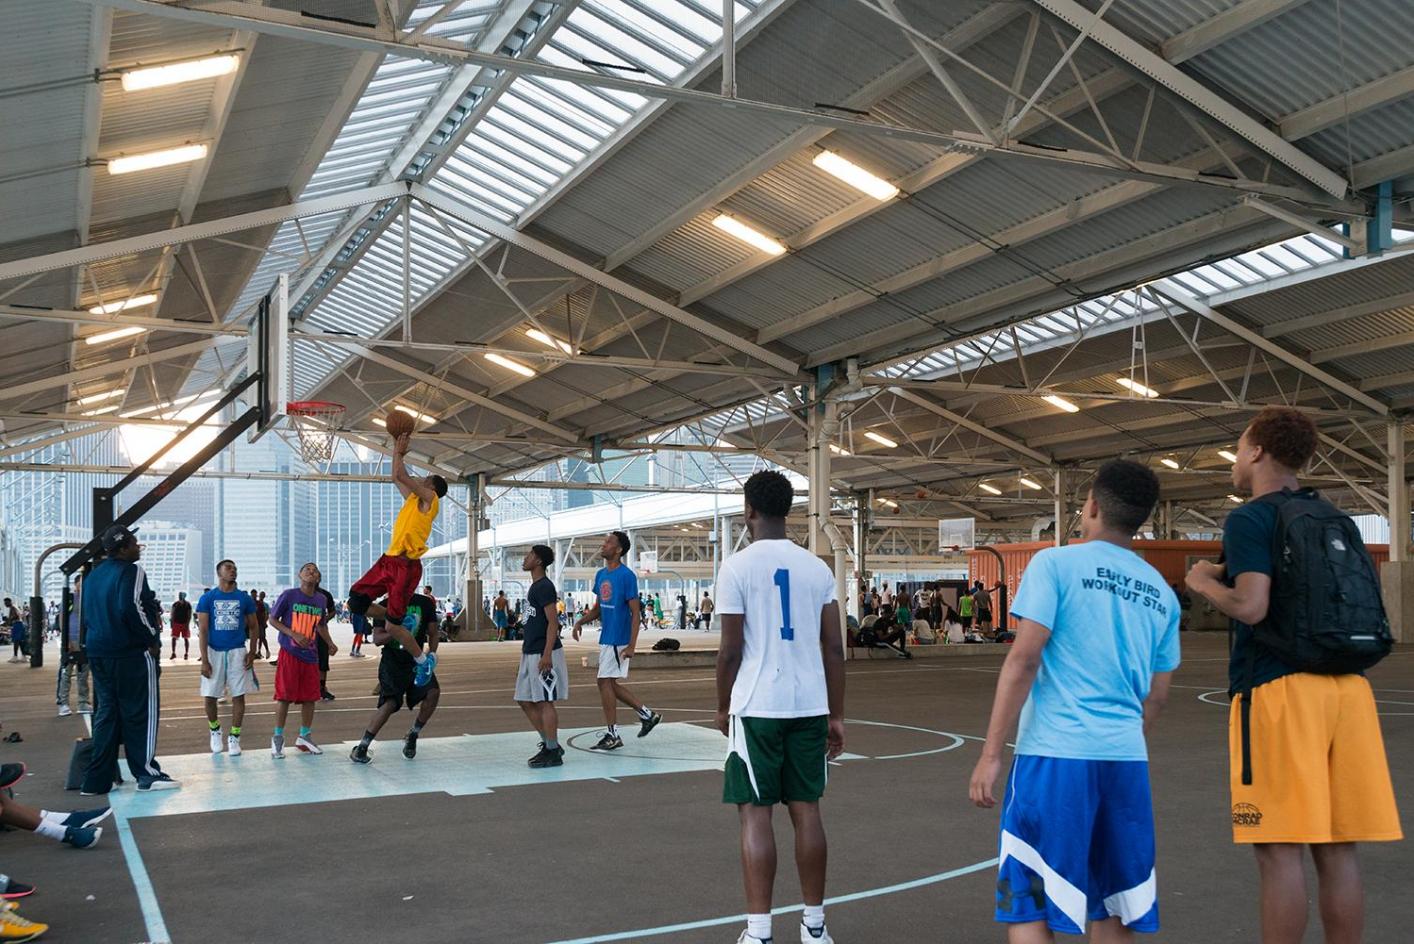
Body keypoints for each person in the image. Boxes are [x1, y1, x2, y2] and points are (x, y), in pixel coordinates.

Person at [1184, 407, 1401, 944]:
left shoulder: (1249, 517)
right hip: (1348, 691)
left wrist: (1200, 582)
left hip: (1280, 692)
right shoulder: (1332, 517)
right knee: (1337, 850)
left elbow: (1252, 606)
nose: (1236, 459)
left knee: (1279, 851)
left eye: (1239, 447)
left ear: (1257, 451)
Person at [970, 459, 1180, 941]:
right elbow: (1159, 696)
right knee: (1115, 900)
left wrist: (990, 754)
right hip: (1124, 760)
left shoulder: (1055, 564)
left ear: (1091, 507)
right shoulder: (1161, 595)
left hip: (1055, 754)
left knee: (1028, 899)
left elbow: (1024, 660)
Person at [715, 470, 845, 944]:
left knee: (755, 813)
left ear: (749, 510)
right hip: (808, 704)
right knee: (806, 811)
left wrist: (722, 705)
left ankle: (759, 932)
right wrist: (836, 714)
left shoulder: (736, 568)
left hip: (756, 705)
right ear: (787, 510)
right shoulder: (818, 569)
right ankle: (814, 926)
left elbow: (730, 651)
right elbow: (834, 648)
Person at [79, 525, 179, 795]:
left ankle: (97, 780)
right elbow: (130, 606)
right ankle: (146, 773)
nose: (138, 548)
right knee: (140, 713)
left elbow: (85, 614)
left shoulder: (92, 577)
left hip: (99, 652)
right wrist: (151, 639)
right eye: (135, 544)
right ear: (123, 548)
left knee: (106, 713)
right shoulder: (131, 571)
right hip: (130, 652)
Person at [346, 430, 446, 695]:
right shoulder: (414, 500)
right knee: (355, 601)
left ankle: (423, 662)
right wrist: (394, 448)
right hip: (388, 560)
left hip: (406, 565)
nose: (421, 480)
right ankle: (399, 619)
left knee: (391, 627)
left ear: (432, 487)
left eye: (425, 479)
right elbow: (396, 476)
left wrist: (400, 452)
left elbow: (402, 475)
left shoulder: (430, 500)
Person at [572, 531, 661, 751]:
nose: (603, 545)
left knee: (604, 682)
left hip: (619, 638)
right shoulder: (601, 574)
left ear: (619, 549)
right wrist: (580, 622)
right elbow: (599, 608)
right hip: (607, 637)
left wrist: (632, 645)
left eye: (608, 542)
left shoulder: (626, 576)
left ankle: (613, 734)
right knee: (608, 683)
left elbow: (635, 613)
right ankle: (646, 714)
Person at [349, 592, 440, 764]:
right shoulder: (383, 605)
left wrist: (431, 655)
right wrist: (397, 630)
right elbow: (377, 639)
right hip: (392, 661)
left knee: (433, 693)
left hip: (417, 659)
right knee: (390, 703)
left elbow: (433, 633)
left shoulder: (424, 603)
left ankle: (413, 733)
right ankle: (362, 746)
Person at [268, 562, 338, 757]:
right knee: (284, 695)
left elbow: (321, 625)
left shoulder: (321, 600)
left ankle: (304, 737)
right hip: (290, 653)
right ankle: (278, 738)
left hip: (311, 655)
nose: (311, 571)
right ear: (300, 575)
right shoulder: (289, 595)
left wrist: (330, 643)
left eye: (315, 570)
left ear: (318, 579)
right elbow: (272, 619)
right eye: (307, 569)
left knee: (310, 697)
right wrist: (292, 634)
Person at [195, 562, 258, 756]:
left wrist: (252, 652)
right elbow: (203, 630)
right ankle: (215, 730)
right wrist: (204, 659)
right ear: (219, 573)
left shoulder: (244, 598)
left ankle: (235, 736)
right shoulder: (207, 598)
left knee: (238, 695)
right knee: (210, 695)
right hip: (214, 652)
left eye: (235, 568)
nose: (233, 570)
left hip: (237, 651)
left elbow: (254, 627)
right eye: (228, 568)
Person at [514, 545, 568, 769]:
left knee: (545, 701)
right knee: (524, 699)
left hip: (543, 653)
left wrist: (546, 655)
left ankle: (553, 750)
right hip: (530, 651)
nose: (525, 559)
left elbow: (553, 622)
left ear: (538, 561)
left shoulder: (544, 587)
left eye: (529, 555)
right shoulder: (535, 587)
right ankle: (549, 743)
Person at [55, 586, 90, 718]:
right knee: (66, 673)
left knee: (83, 674)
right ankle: (63, 703)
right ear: (76, 585)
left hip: (85, 641)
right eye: (80, 584)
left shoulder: (89, 599)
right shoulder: (70, 599)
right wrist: (67, 640)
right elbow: (62, 619)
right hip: (70, 640)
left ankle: (83, 702)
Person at [168, 592, 192, 661]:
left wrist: (187, 624)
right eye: (179, 595)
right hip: (176, 623)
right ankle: (173, 653)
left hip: (184, 623)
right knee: (173, 638)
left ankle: (186, 653)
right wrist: (172, 623)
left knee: (186, 639)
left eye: (181, 595)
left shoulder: (188, 604)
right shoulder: (175, 604)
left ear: (184, 596)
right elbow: (172, 613)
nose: (179, 596)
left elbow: (189, 615)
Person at [5, 598, 25, 662]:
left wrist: (9, 619)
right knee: (20, 641)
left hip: (17, 624)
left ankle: (15, 656)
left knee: (16, 641)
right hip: (19, 624)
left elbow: (15, 616)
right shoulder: (14, 607)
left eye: (6, 602)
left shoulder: (13, 608)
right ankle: (23, 656)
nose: (5, 604)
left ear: (10, 602)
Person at [254, 590, 271, 660]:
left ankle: (266, 651)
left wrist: (264, 622)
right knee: (260, 638)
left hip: (261, 623)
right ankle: (259, 651)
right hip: (258, 623)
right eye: (261, 595)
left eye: (263, 595)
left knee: (262, 637)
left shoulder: (265, 605)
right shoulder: (257, 603)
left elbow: (266, 615)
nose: (262, 596)